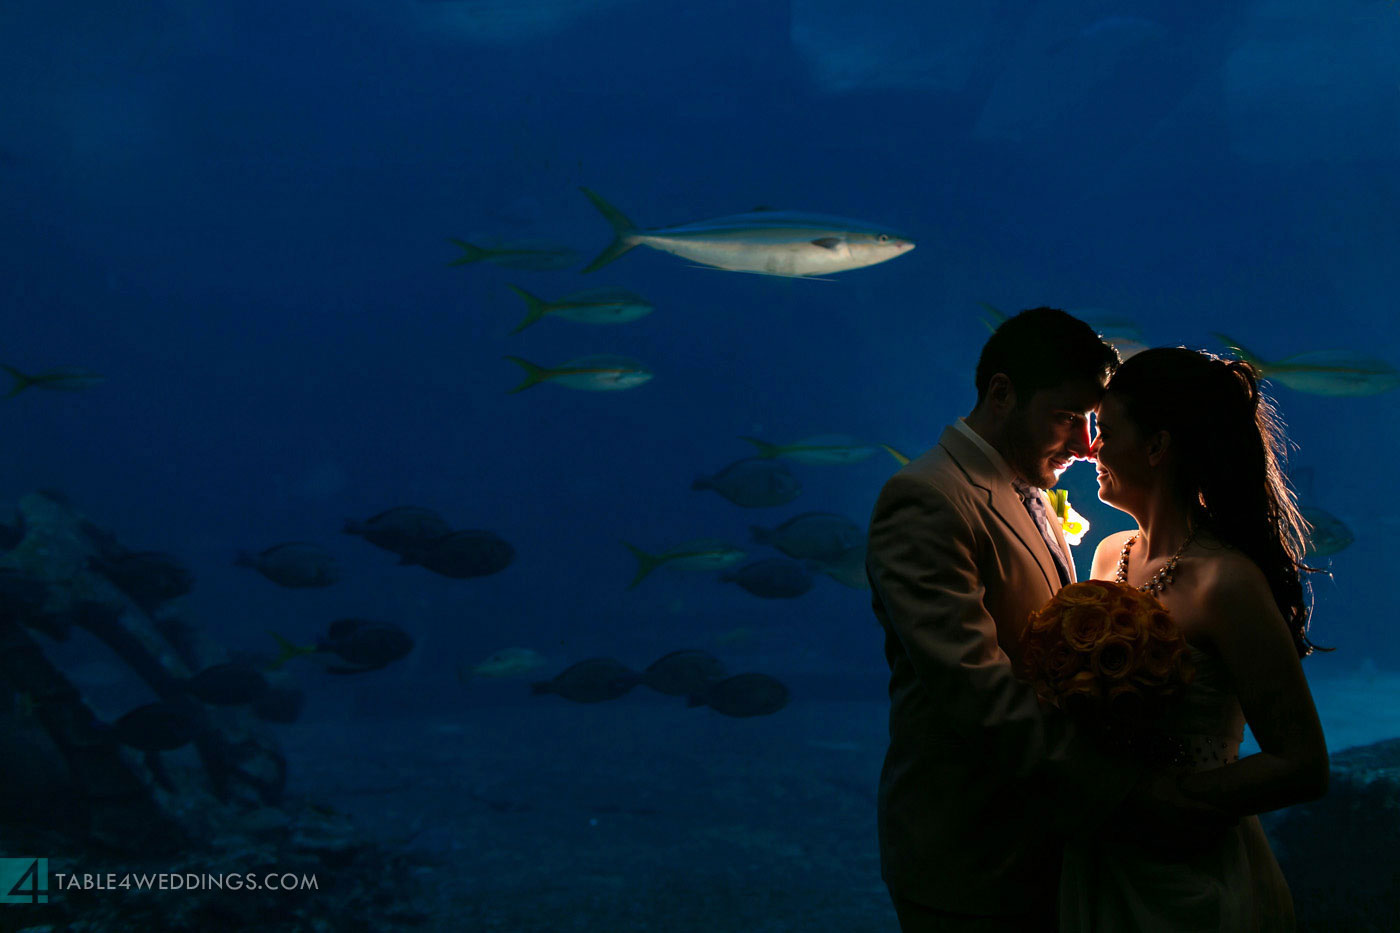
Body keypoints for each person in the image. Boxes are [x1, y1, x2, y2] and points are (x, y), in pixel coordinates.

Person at [868, 307, 1150, 932]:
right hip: (970, 858)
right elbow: (977, 692)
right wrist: (1118, 792)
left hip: (1037, 852)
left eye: (1091, 421)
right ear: (1001, 394)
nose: (1085, 445)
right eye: (1066, 417)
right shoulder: (927, 498)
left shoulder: (1025, 487)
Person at [1061, 346, 1329, 931]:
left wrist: (1175, 799)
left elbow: (1303, 763)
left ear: (1157, 448)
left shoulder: (1226, 582)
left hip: (1191, 878)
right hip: (1102, 857)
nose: (1090, 449)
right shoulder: (1109, 553)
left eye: (1105, 432)